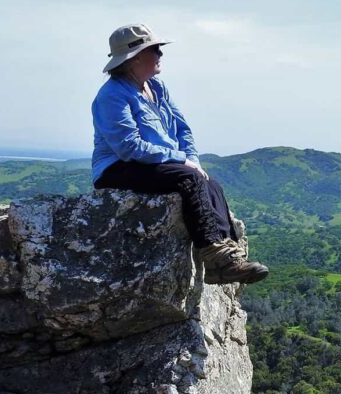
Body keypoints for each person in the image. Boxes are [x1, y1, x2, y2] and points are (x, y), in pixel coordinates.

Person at [91, 23, 268, 285]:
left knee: (210, 183)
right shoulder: (112, 96)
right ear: (134, 58)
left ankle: (229, 256)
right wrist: (180, 160)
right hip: (117, 169)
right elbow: (129, 147)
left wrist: (192, 160)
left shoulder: (157, 88)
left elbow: (183, 129)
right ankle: (215, 256)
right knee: (190, 179)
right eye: (155, 49)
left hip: (154, 163)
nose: (160, 54)